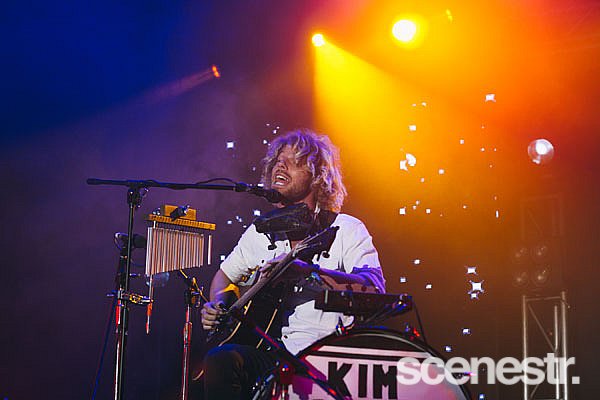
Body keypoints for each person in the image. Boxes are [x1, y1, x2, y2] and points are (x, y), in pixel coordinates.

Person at [200, 129, 385, 399]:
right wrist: (218, 303)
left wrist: (309, 273)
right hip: (277, 358)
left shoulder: (346, 228)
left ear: (319, 176)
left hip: (332, 360)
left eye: (294, 161)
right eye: (277, 160)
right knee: (221, 359)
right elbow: (224, 276)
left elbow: (375, 287)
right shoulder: (261, 232)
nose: (280, 165)